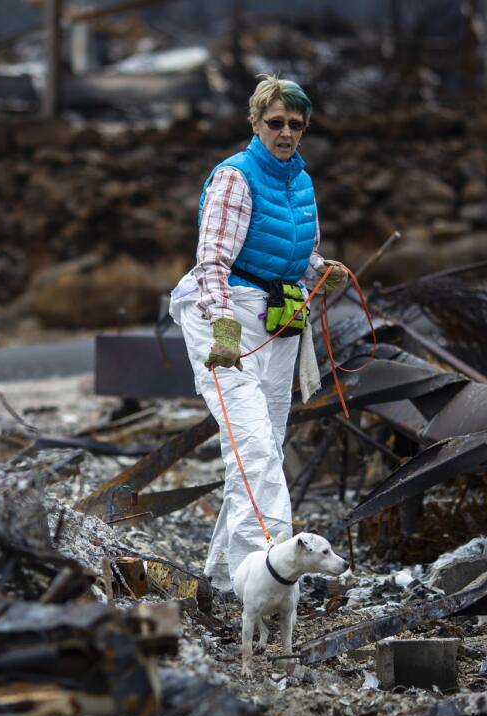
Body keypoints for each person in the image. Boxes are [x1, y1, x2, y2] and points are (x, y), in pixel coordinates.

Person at [169, 74, 344, 593]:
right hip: (223, 318)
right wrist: (223, 329)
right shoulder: (235, 177)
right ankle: (264, 584)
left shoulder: (301, 181)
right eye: (275, 123)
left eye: (295, 124)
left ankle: (224, 579)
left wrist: (317, 269)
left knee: (261, 445)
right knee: (255, 452)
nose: (285, 132)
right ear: (254, 123)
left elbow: (286, 250)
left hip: (276, 319)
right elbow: (212, 261)